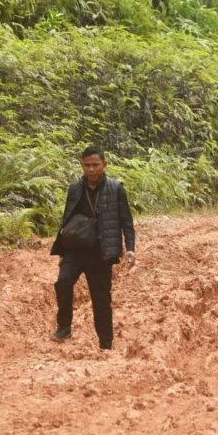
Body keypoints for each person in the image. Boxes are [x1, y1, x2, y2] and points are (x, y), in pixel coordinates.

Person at [50, 146, 136, 350]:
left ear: (104, 165)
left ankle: (105, 343)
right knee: (63, 282)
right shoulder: (75, 188)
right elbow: (67, 219)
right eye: (87, 165)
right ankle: (64, 326)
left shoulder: (116, 189)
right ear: (82, 165)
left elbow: (126, 220)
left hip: (101, 251)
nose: (91, 169)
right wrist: (62, 250)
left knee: (101, 298)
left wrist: (130, 247)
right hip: (75, 249)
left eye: (95, 165)